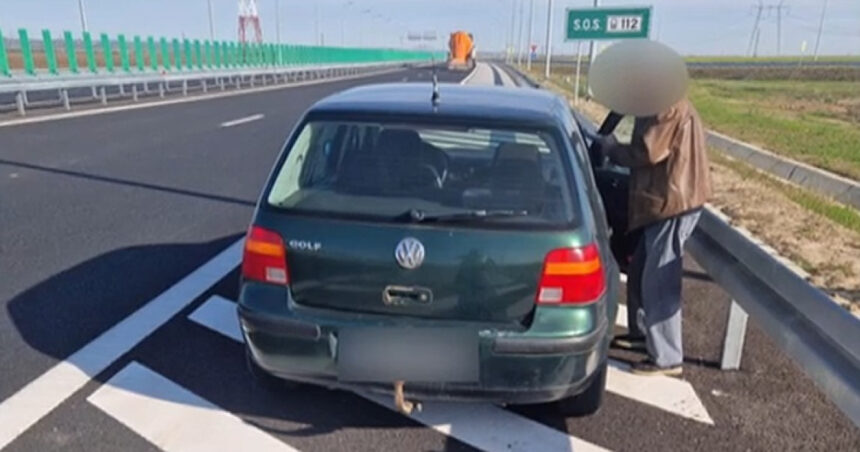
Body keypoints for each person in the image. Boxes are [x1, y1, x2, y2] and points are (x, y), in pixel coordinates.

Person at [598, 97, 711, 376]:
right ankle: (643, 334)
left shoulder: (665, 105)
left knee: (659, 279)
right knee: (640, 270)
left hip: (673, 201)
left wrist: (612, 149)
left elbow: (648, 151)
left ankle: (667, 357)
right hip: (664, 200)